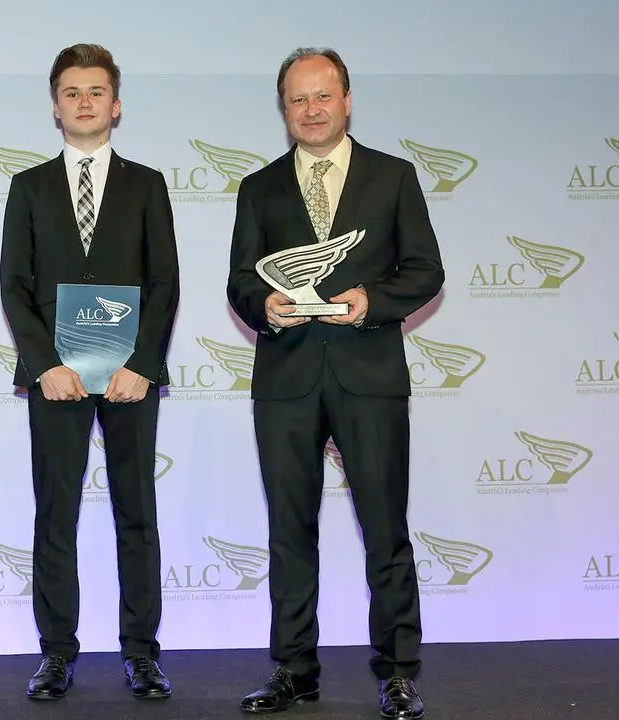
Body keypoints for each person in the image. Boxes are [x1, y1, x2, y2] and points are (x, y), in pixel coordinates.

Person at [226, 47, 443, 719]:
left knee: (385, 527)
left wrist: (371, 301)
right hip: (286, 380)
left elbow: (425, 271)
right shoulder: (259, 188)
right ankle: (294, 669)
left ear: (347, 100)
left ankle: (399, 671)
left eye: (323, 96)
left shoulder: (394, 176)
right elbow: (239, 280)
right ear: (283, 109)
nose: (311, 110)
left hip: (368, 376)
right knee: (290, 531)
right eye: (298, 99)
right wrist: (263, 306)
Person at [0, 42, 180, 702]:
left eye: (96, 91)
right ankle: (56, 654)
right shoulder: (29, 187)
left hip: (130, 378)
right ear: (55, 106)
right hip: (57, 380)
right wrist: (44, 365)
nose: (84, 102)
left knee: (137, 513)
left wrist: (143, 364)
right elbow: (14, 285)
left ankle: (142, 653)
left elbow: (165, 282)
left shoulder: (147, 185)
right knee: (56, 514)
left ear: (116, 103)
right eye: (71, 92)